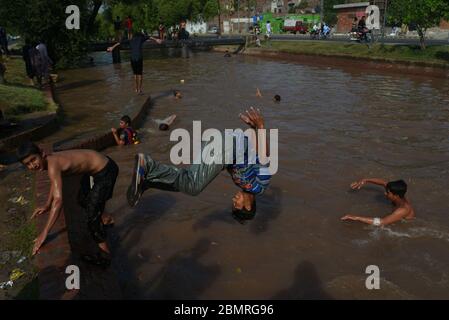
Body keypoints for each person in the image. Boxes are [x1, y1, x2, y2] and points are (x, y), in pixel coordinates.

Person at [126, 108, 271, 222]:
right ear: (248, 206)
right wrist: (261, 126)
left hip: (223, 144)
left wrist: (253, 130)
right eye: (236, 204)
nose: (233, 200)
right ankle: (149, 166)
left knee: (188, 184)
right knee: (193, 185)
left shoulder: (242, 183)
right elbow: (264, 157)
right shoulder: (260, 186)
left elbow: (253, 154)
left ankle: (148, 182)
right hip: (228, 146)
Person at [16, 142, 119, 266]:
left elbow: (59, 200)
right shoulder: (50, 161)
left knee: (91, 219)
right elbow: (54, 184)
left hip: (105, 171)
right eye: (27, 164)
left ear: (42, 153)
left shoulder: (53, 165)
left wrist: (44, 232)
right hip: (97, 168)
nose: (32, 165)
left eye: (33, 159)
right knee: (83, 200)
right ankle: (106, 219)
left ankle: (106, 257)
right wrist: (47, 205)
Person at [107, 30, 163, 94]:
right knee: (140, 74)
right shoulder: (141, 38)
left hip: (132, 58)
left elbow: (120, 42)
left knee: (135, 74)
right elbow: (149, 37)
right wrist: (156, 40)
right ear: (140, 35)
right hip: (139, 58)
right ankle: (139, 90)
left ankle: (136, 89)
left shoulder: (131, 40)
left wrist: (112, 47)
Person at [341, 178, 415, 227]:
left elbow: (381, 222)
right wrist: (365, 180)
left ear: (396, 195)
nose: (385, 193)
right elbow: (384, 183)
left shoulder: (403, 210)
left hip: (406, 225)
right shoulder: (398, 194)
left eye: (388, 192)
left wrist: (356, 217)